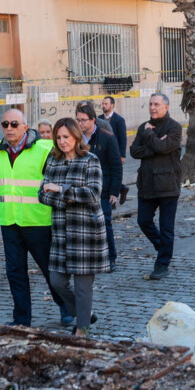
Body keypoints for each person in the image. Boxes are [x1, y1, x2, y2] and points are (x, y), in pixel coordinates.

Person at [0, 109, 69, 327]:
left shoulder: (44, 149)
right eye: (5, 124)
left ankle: (66, 308)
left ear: (25, 127)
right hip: (10, 223)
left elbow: (57, 181)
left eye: (14, 124)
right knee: (15, 273)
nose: (9, 128)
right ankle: (21, 319)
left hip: (39, 222)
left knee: (50, 271)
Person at [39, 118, 108, 336]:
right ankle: (84, 313)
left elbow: (92, 193)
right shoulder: (52, 160)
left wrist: (60, 190)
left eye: (66, 137)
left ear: (76, 137)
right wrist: (65, 197)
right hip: (61, 232)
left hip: (86, 231)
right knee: (56, 281)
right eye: (58, 137)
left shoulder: (90, 160)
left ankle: (82, 330)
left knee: (82, 286)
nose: (62, 141)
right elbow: (42, 194)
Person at [130, 93, 183, 280]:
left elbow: (164, 148)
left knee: (166, 226)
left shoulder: (175, 128)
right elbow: (134, 151)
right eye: (151, 104)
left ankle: (162, 264)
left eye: (157, 104)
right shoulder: (143, 126)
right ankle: (163, 248)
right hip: (147, 184)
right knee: (143, 221)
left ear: (166, 107)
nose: (153, 107)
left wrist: (149, 135)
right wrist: (156, 144)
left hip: (168, 184)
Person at [76, 102, 123, 271]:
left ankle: (110, 257)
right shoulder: (76, 139)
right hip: (82, 189)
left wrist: (114, 192)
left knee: (105, 223)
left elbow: (116, 165)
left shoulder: (107, 137)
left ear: (93, 120)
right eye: (78, 120)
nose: (80, 123)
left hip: (103, 190)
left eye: (83, 120)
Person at [100, 96, 128, 164]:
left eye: (106, 104)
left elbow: (123, 138)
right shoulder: (99, 118)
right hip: (102, 154)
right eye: (103, 104)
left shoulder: (119, 120)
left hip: (115, 153)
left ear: (112, 105)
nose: (103, 106)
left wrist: (122, 155)